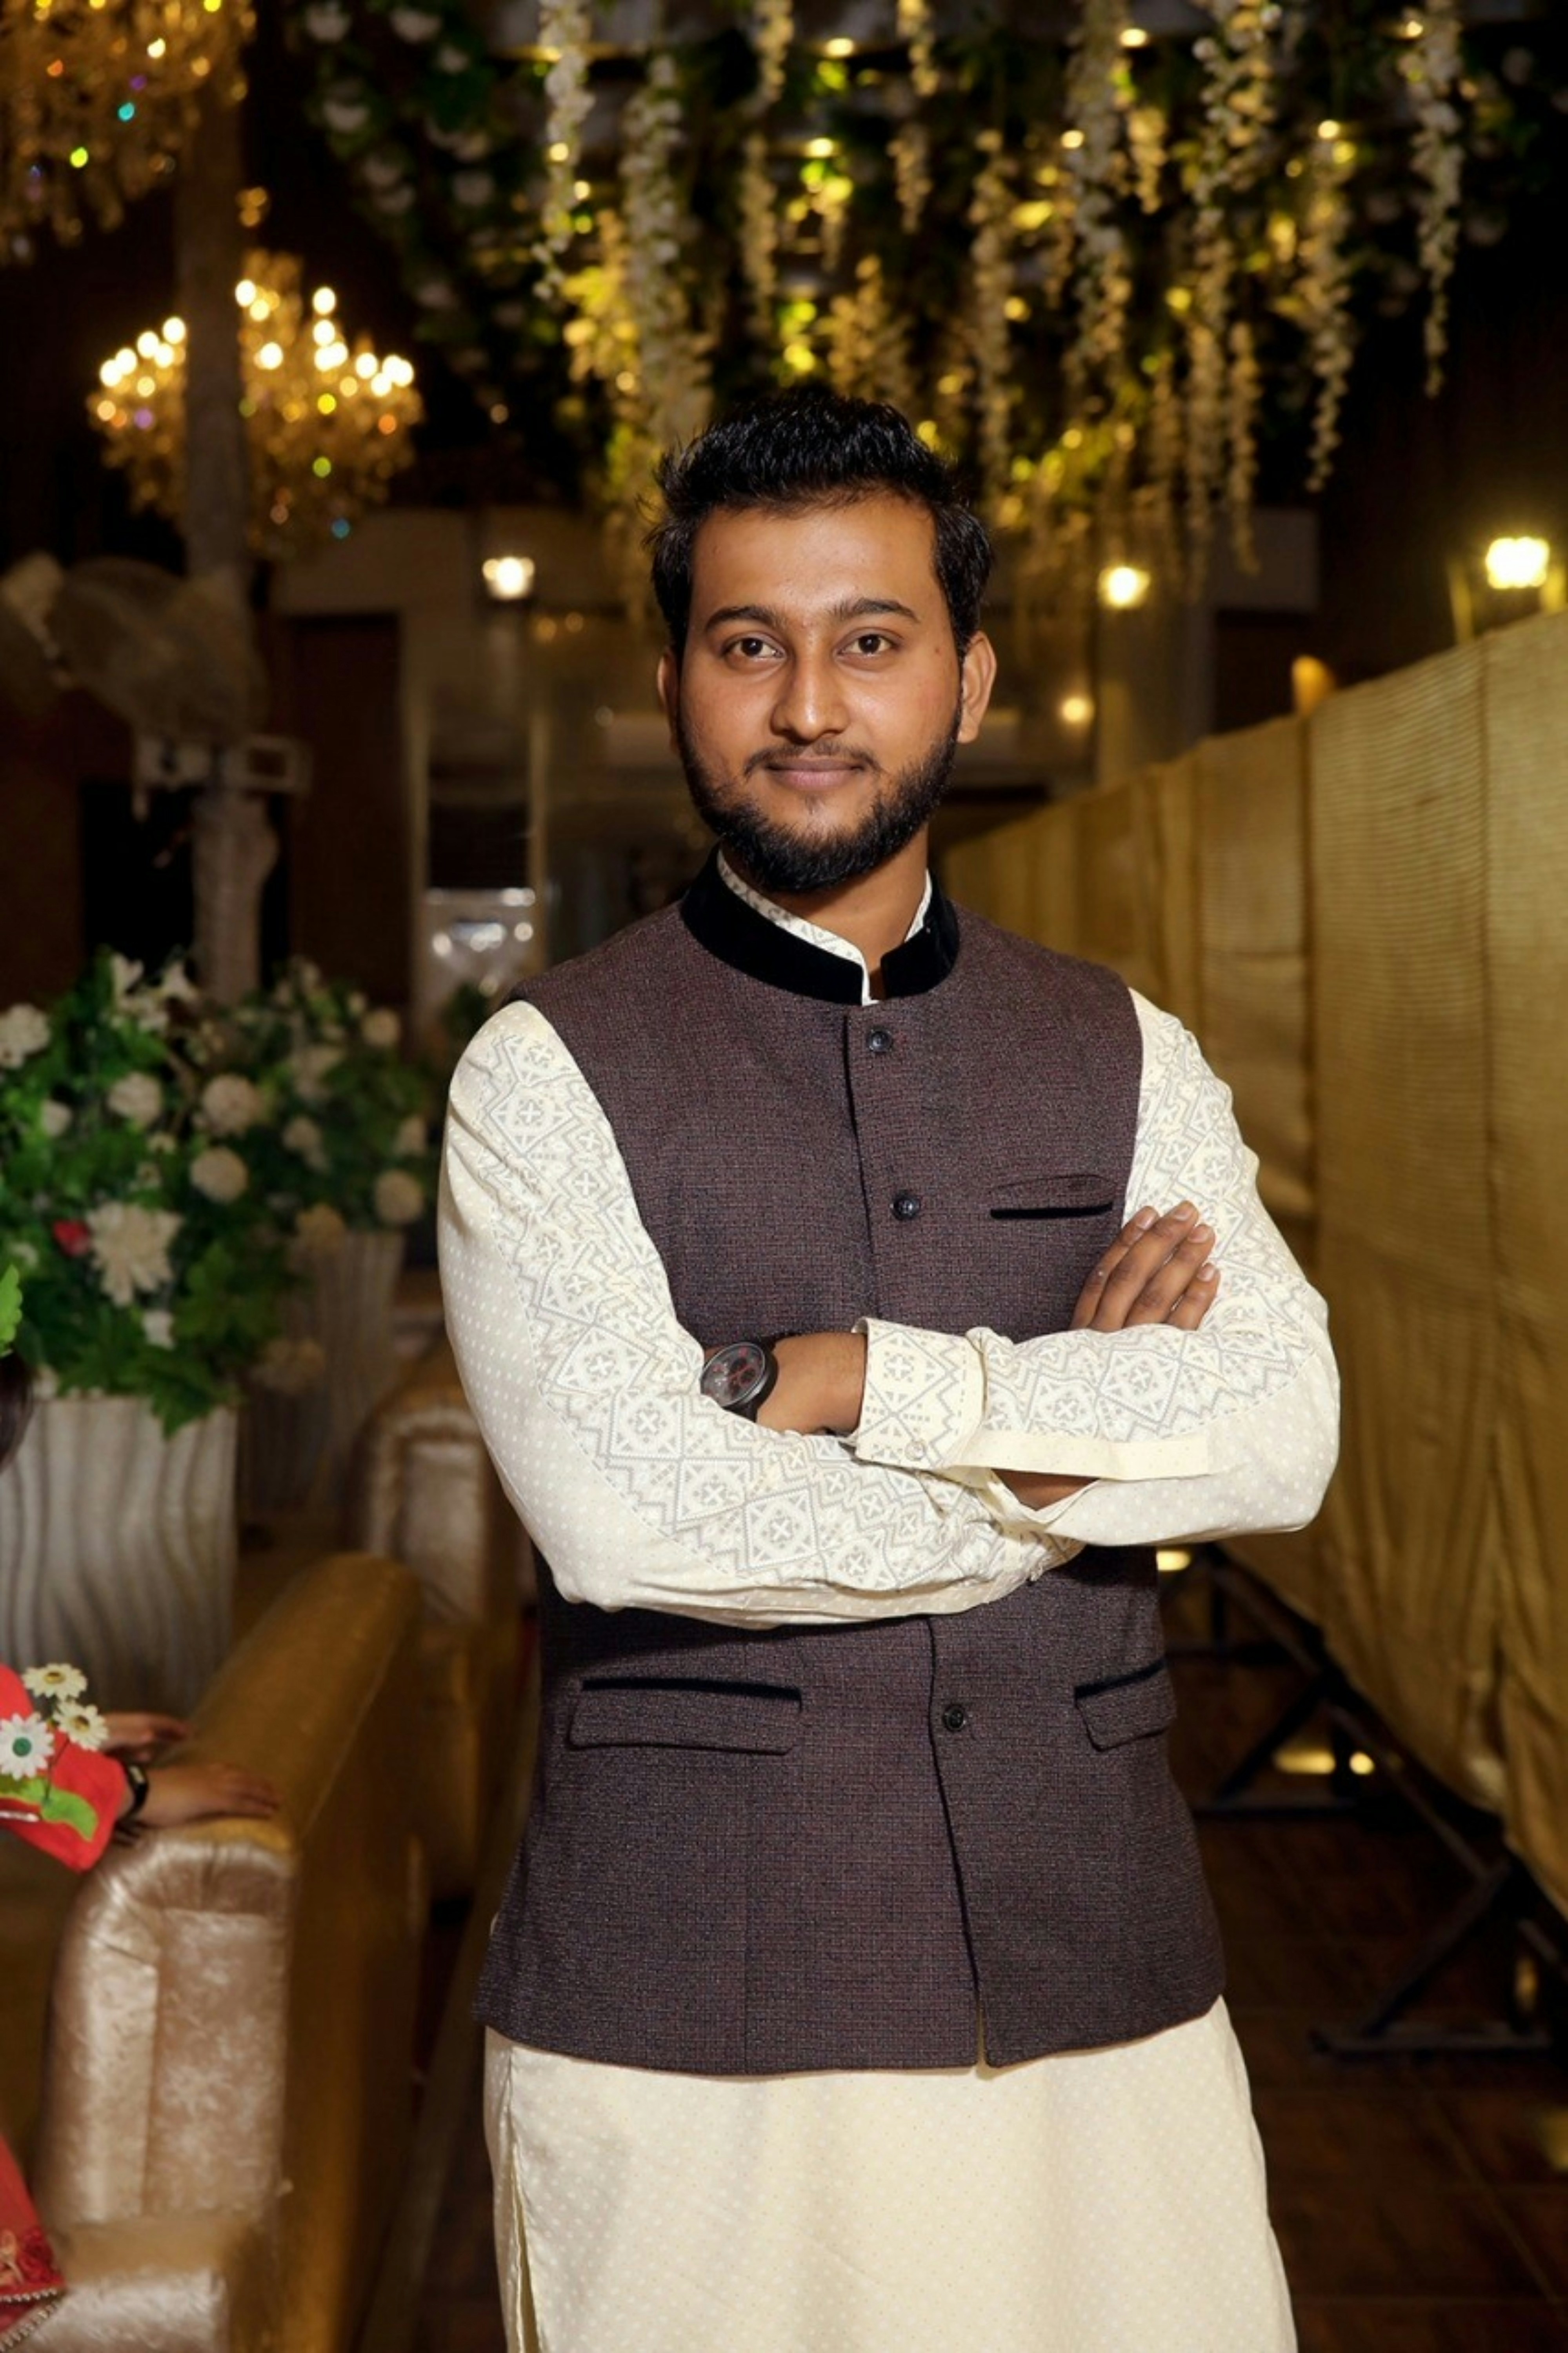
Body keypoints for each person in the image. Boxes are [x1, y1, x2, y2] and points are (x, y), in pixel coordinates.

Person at [438, 391, 1338, 2353]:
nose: (808, 705)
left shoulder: (1128, 1051)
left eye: (871, 640)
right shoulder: (540, 1075)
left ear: (968, 675)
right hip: (690, 2009)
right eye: (749, 643)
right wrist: (1066, 1454)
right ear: (676, 677)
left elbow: (1278, 1431)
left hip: (1097, 1974)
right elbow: (626, 1511)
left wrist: (856, 1381)